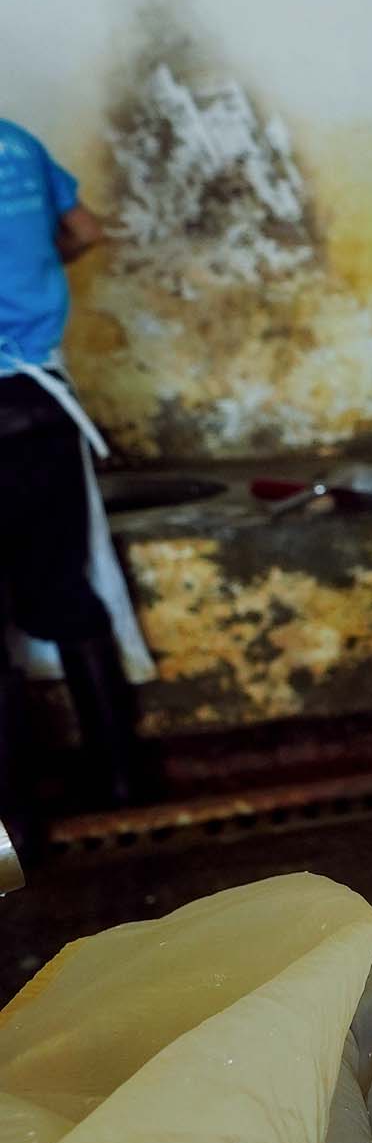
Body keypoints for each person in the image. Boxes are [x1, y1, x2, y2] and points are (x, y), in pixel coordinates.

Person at [0, 116, 149, 840]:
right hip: (39, 405)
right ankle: (120, 781)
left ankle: (17, 824)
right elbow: (85, 231)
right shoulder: (17, 141)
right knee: (64, 590)